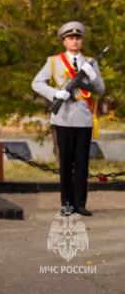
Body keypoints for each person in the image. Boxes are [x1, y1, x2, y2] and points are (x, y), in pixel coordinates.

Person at [32, 21, 105, 216]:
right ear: (64, 41)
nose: (75, 41)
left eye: (78, 38)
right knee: (65, 163)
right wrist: (54, 94)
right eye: (71, 38)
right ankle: (67, 204)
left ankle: (80, 203)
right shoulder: (54, 61)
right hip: (63, 116)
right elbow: (37, 83)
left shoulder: (90, 62)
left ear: (81, 41)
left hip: (84, 118)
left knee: (82, 163)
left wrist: (93, 76)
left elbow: (100, 90)